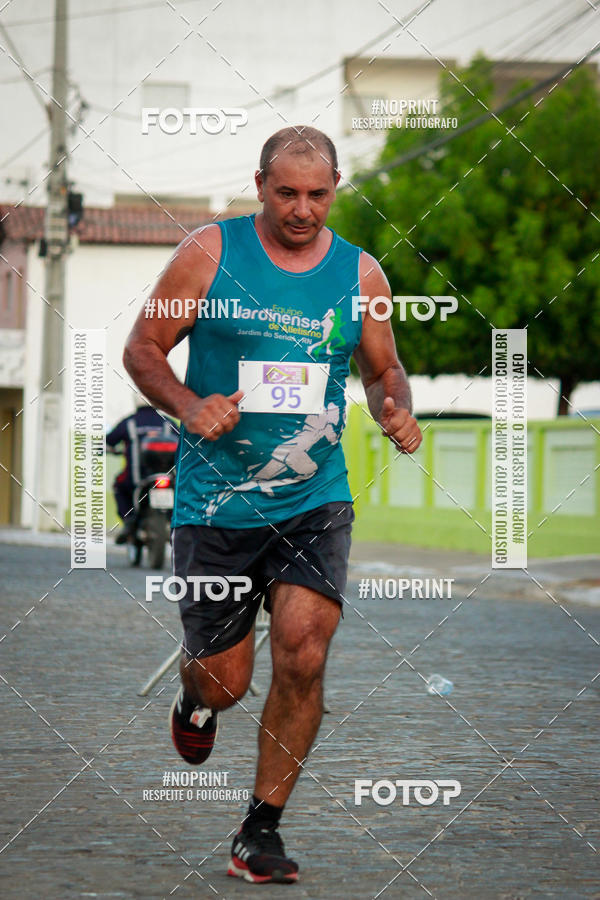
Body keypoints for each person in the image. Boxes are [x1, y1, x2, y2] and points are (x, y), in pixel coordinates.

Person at [123, 125, 422, 884]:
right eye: (286, 192)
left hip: (313, 498)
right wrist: (189, 404)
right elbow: (142, 349)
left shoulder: (362, 274)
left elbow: (386, 368)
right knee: (225, 682)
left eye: (317, 194)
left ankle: (260, 830)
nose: (302, 209)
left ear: (336, 188)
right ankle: (195, 702)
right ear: (259, 184)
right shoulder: (210, 253)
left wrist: (394, 406)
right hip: (215, 501)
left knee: (305, 649)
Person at [105, 402, 178, 543]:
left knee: (118, 486)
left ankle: (129, 520)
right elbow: (184, 441)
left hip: (136, 478)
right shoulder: (167, 422)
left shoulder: (130, 422)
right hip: (167, 476)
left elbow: (110, 441)